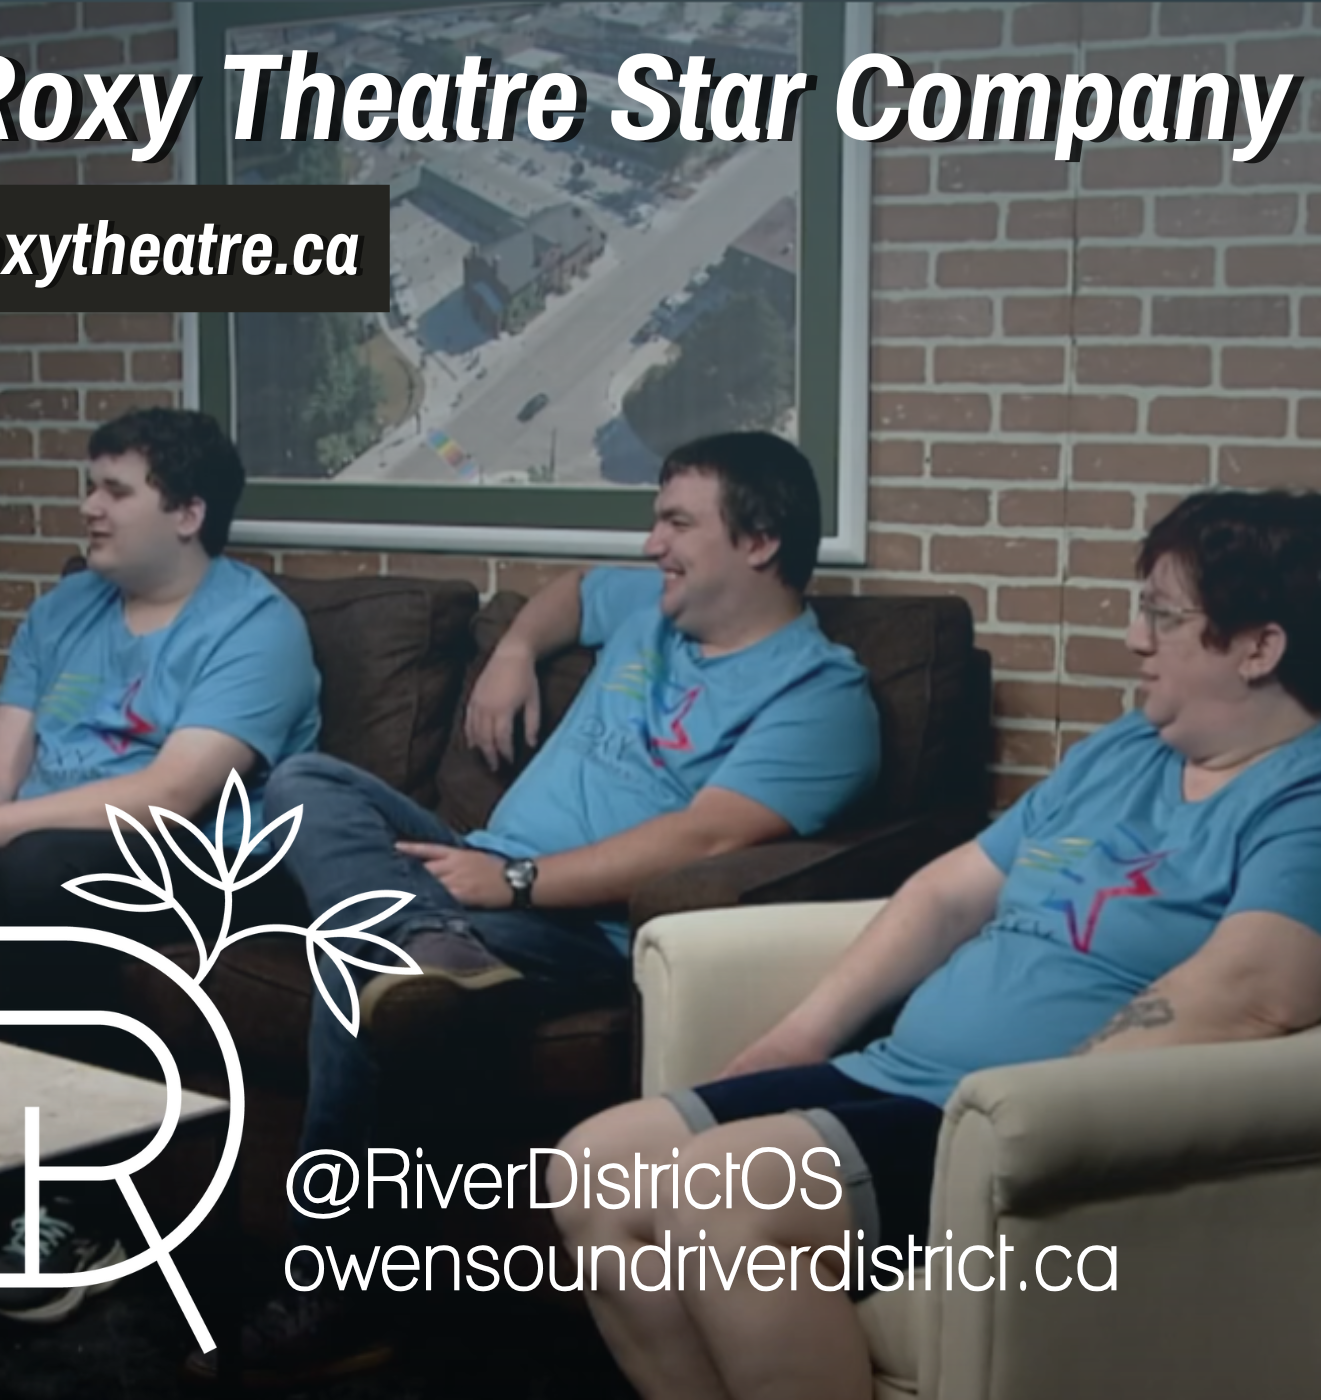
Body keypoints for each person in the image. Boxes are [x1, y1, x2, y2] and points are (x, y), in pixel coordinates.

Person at [549, 487, 1321, 1400]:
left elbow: (1256, 989)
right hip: (898, 1076)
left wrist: (1032, 1109)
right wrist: (799, 1037)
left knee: (720, 1190)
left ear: (1259, 646)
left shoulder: (1298, 799)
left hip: (1008, 1123)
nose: (1134, 638)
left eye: (1162, 614)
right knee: (593, 1163)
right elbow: (948, 895)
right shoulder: (1125, 751)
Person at [191, 431, 881, 1388]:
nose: (653, 547)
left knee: (353, 962)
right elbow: (571, 595)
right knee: (308, 777)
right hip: (475, 875)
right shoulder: (654, 605)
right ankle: (420, 942)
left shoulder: (821, 695)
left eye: (677, 523)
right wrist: (515, 648)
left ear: (759, 541)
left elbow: (708, 840)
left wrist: (521, 885)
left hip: (580, 927)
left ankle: (335, 1297)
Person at [0, 407, 321, 1323]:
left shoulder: (257, 628)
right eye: (88, 487)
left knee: (34, 871)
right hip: (42, 839)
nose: (89, 509)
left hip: (193, 863)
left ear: (187, 512)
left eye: (115, 491)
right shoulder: (65, 609)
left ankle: (82, 1208)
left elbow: (173, 794)